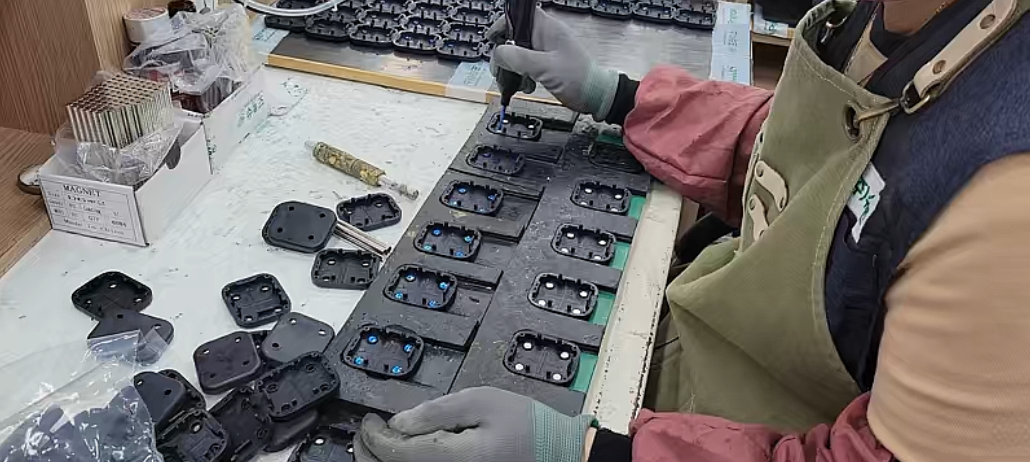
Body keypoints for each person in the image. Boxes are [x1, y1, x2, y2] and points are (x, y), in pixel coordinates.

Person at [354, 0, 1030, 460]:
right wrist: (618, 96)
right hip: (694, 351)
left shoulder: (1006, 195)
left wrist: (593, 453)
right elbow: (803, 158)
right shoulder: (896, 15)